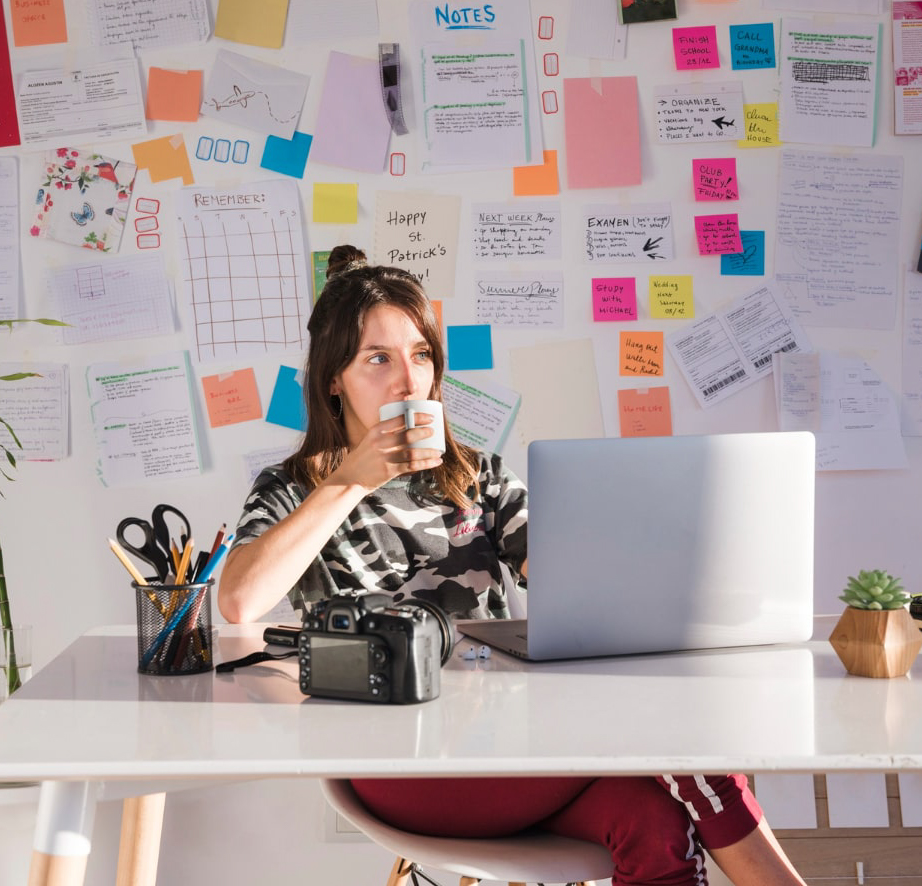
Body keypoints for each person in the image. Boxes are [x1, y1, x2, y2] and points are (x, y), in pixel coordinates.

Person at [219, 246, 807, 886]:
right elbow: (240, 601)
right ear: (334, 377)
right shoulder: (294, 488)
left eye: (420, 356)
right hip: (396, 762)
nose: (408, 382)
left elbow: (572, 584)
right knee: (686, 740)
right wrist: (352, 482)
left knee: (654, 821)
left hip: (513, 744)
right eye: (378, 359)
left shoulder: (476, 475)